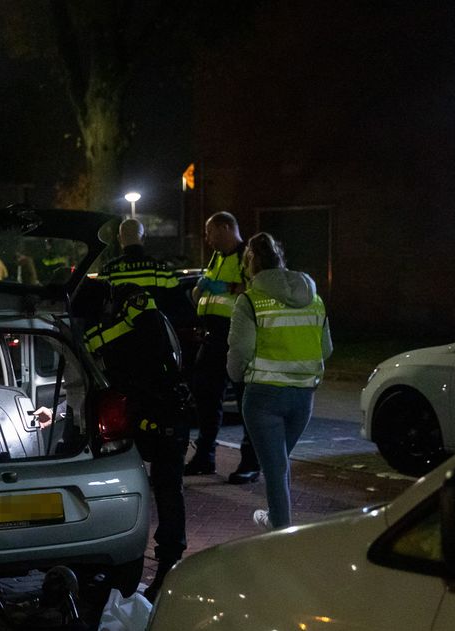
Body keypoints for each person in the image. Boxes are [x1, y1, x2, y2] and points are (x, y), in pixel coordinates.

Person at [78, 278, 191, 597]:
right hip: (144, 412)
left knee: (167, 490)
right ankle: (132, 561)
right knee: (153, 489)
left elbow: (101, 347)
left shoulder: (133, 308)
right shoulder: (121, 316)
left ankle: (167, 567)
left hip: (160, 412)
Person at [226, 233, 331, 530]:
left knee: (274, 468)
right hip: (304, 397)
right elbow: (327, 348)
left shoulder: (250, 300)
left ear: (251, 263)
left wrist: (235, 375)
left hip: (264, 397)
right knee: (280, 462)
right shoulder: (314, 299)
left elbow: (241, 350)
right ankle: (277, 520)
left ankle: (280, 529)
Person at [186, 212, 260, 484]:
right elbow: (207, 293)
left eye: (210, 232)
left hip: (237, 335)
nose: (207, 239)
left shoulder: (247, 255)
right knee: (205, 396)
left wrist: (225, 286)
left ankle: (251, 462)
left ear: (226, 227)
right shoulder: (217, 257)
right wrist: (199, 292)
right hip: (213, 337)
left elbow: (255, 288)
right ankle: (205, 456)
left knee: (245, 403)